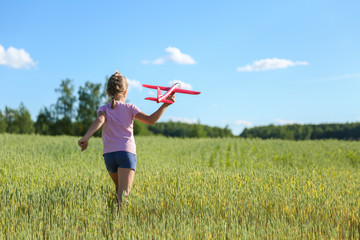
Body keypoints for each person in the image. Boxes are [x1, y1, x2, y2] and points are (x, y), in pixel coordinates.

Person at [78, 71, 174, 208]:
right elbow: (151, 120)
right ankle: (121, 225)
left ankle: (113, 220)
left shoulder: (103, 109)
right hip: (126, 154)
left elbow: (100, 120)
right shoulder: (130, 108)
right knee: (124, 196)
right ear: (125, 92)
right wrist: (165, 105)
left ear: (107, 92)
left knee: (118, 191)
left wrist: (86, 137)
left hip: (109, 155)